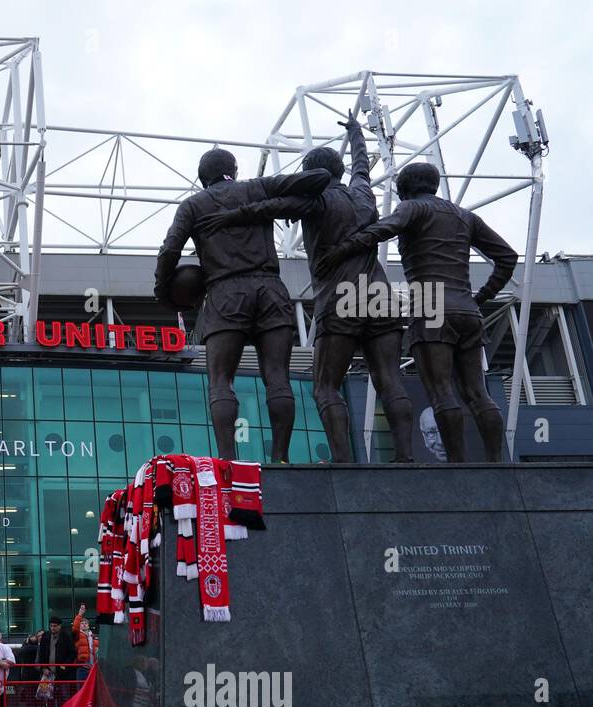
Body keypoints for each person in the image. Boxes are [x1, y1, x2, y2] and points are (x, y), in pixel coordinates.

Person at [196, 112, 415, 462]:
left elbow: (269, 206)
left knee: (326, 386)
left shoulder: (316, 201)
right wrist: (357, 133)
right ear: (340, 171)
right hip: (380, 295)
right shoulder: (362, 192)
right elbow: (362, 166)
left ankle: (343, 463)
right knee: (389, 378)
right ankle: (406, 457)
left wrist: (231, 215)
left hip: (340, 297)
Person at [316, 162, 518, 462]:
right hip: (466, 306)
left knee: (441, 391)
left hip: (430, 301)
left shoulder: (412, 208)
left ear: (404, 189)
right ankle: (497, 463)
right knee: (478, 393)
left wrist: (341, 250)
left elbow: (382, 229)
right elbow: (508, 256)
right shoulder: (465, 215)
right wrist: (482, 297)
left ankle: (459, 466)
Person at [155, 154, 332, 461]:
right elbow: (320, 177)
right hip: (270, 289)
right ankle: (281, 459)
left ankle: (227, 462)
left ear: (201, 179)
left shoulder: (194, 205)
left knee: (221, 380)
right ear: (234, 172)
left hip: (225, 292)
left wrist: (163, 290)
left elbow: (170, 248)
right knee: (278, 377)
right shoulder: (258, 187)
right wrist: (259, 207)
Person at [14, 629, 43, 707]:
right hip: (32, 677)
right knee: (32, 700)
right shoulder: (31, 647)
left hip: (39, 677)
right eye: (38, 636)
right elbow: (22, 652)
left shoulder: (28, 647)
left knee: (38, 700)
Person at [71, 605, 96, 684]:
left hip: (94, 668)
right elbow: (75, 628)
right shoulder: (78, 635)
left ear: (88, 626)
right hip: (83, 667)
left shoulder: (94, 637)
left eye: (86, 623)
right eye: (82, 623)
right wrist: (80, 614)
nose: (84, 624)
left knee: (93, 690)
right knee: (81, 688)